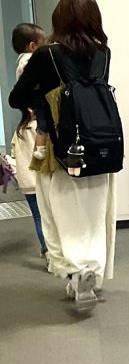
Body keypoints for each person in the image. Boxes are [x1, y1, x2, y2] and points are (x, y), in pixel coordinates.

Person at [8, 0, 117, 312]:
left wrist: (44, 97)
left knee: (62, 212)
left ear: (59, 18)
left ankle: (76, 269)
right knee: (96, 214)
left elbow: (17, 98)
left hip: (61, 149)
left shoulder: (47, 55)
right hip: (101, 146)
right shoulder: (103, 52)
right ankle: (91, 271)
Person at [10, 108, 48, 262]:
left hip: (26, 181)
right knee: (48, 217)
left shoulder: (19, 128)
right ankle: (52, 250)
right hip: (42, 179)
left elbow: (13, 154)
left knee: (38, 217)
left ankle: (46, 251)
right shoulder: (41, 127)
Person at [9, 23, 48, 160]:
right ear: (32, 46)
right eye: (42, 45)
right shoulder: (29, 61)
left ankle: (40, 148)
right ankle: (41, 148)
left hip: (31, 102)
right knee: (43, 120)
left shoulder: (21, 61)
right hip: (35, 98)